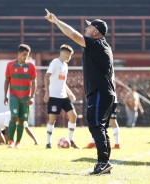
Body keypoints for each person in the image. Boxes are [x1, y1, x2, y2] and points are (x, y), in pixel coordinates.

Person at [45, 9, 116, 175]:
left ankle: (103, 162)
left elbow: (73, 34)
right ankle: (104, 163)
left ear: (96, 31)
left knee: (96, 126)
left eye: (89, 27)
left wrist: (56, 21)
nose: (86, 29)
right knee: (100, 127)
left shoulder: (96, 43)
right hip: (104, 92)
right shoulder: (103, 46)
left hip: (99, 92)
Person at [43, 44, 80, 149]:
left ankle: (71, 140)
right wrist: (47, 93)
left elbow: (63, 82)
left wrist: (70, 93)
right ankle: (48, 143)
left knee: (73, 116)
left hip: (64, 96)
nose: (70, 57)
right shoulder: (55, 63)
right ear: (65, 53)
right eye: (70, 55)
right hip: (54, 96)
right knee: (52, 119)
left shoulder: (65, 65)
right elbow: (46, 77)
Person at [4, 44, 37, 149]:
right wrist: (5, 96)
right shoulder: (10, 65)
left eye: (27, 55)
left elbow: (34, 82)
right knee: (14, 117)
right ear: (18, 53)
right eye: (23, 54)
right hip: (14, 96)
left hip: (25, 97)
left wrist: (31, 96)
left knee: (22, 120)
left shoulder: (31, 66)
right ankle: (10, 141)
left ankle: (18, 142)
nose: (25, 57)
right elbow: (7, 80)